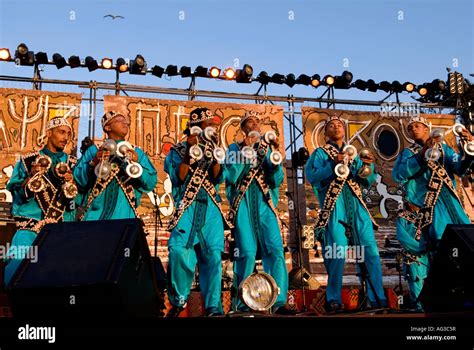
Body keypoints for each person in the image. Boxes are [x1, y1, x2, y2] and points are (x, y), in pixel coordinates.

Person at [305, 115, 387, 312]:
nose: (336, 127)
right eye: (331, 125)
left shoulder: (353, 153)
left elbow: (366, 180)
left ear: (344, 130)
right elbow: (312, 176)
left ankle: (377, 298)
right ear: (325, 134)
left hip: (357, 207)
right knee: (337, 254)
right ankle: (333, 299)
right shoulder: (320, 153)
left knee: (370, 253)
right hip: (334, 206)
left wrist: (368, 165)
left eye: (339, 125)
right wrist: (333, 164)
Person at [392, 116, 473, 309]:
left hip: (453, 206)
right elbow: (398, 175)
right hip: (431, 208)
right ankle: (442, 299)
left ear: (427, 128)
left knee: (466, 245)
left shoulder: (444, 148)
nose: (413, 129)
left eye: (417, 125)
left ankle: (465, 296)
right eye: (410, 128)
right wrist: (422, 155)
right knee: (442, 247)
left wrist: (470, 150)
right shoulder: (407, 154)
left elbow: (460, 169)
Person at [164, 107, 231, 317]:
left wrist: (215, 156)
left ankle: (213, 307)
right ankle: (179, 302)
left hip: (210, 207)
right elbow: (179, 178)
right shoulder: (176, 151)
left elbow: (219, 177)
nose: (212, 128)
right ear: (196, 127)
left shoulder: (214, 149)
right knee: (178, 251)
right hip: (187, 206)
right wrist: (187, 154)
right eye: (208, 124)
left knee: (212, 256)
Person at [224, 111, 291, 314]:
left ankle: (278, 302)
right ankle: (244, 302)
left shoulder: (267, 148)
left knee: (275, 250)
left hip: (265, 204)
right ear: (243, 128)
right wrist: (245, 151)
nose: (254, 124)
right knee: (246, 252)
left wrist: (276, 157)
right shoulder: (234, 148)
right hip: (243, 204)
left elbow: (276, 180)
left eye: (256, 122)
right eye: (249, 122)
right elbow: (231, 176)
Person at [4, 117, 78, 285]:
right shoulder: (28, 161)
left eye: (69, 134)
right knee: (17, 266)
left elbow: (78, 201)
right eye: (61, 132)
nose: (66, 137)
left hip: (62, 230)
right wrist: (31, 176)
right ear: (49, 133)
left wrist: (71, 182)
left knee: (62, 276)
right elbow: (17, 193)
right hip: (30, 227)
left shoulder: (73, 164)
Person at [73, 111, 157, 220]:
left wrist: (137, 164)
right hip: (94, 216)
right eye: (119, 120)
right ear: (107, 127)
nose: (125, 123)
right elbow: (78, 179)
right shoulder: (94, 151)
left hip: (124, 215)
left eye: (126, 121)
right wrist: (93, 163)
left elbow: (151, 182)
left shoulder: (136, 152)